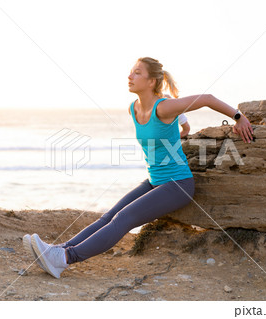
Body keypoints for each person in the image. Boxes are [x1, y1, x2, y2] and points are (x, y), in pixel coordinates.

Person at [23, 57, 254, 278]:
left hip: (178, 185)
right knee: (109, 216)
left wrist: (238, 117)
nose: (130, 76)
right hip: (154, 181)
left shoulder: (164, 108)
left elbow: (207, 98)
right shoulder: (133, 108)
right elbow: (175, 132)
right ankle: (58, 249)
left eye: (137, 72)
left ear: (151, 81)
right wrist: (179, 135)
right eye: (132, 71)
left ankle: (64, 258)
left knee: (123, 218)